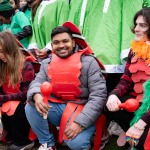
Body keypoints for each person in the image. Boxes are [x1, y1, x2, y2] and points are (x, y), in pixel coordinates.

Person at [25, 21, 107, 150]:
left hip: (82, 110)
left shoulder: (89, 62)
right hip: (56, 108)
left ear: (73, 42)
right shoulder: (46, 63)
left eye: (65, 41)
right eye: (56, 43)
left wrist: (80, 123)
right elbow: (36, 83)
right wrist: (36, 96)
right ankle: (48, 144)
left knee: (76, 144)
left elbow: (98, 97)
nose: (61, 45)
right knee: (30, 106)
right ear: (52, 45)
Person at [106, 7, 150, 150]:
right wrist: (113, 95)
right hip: (137, 101)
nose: (136, 29)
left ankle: (137, 134)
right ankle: (131, 132)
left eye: (142, 25)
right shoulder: (134, 50)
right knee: (107, 105)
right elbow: (126, 80)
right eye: (136, 24)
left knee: (143, 142)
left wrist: (142, 122)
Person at [0, 31, 35, 150]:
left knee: (12, 107)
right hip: (6, 101)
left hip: (23, 105)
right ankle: (8, 135)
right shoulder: (2, 65)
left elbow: (26, 94)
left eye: (2, 51)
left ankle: (24, 141)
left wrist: (3, 98)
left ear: (11, 50)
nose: (0, 55)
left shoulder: (26, 65)